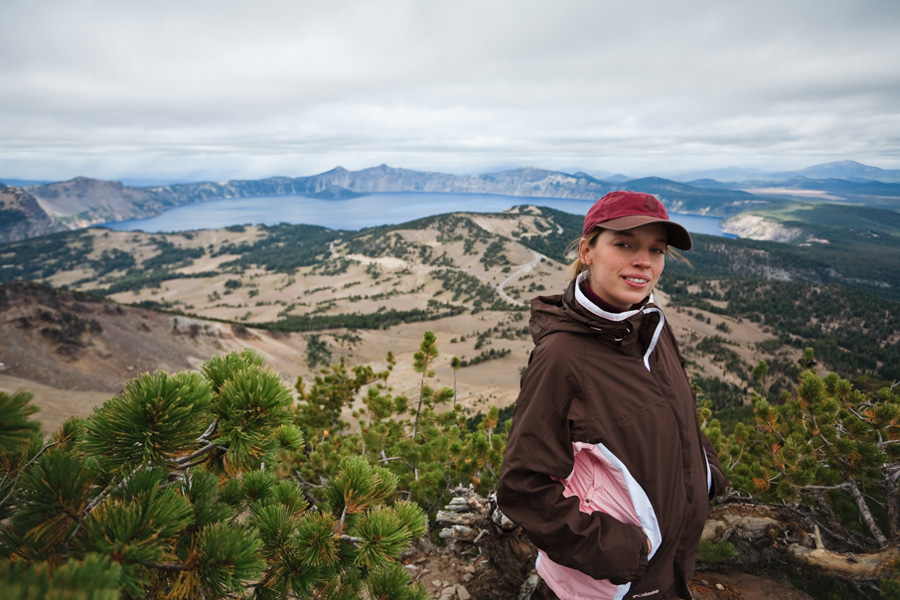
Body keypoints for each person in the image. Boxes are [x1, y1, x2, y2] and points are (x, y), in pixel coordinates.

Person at [497, 191, 727, 600]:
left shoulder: (650, 325)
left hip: (668, 570)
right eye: (625, 244)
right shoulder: (562, 356)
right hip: (605, 586)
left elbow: (678, 412)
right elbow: (523, 486)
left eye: (656, 250)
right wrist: (621, 551)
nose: (644, 261)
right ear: (587, 250)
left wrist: (705, 471)